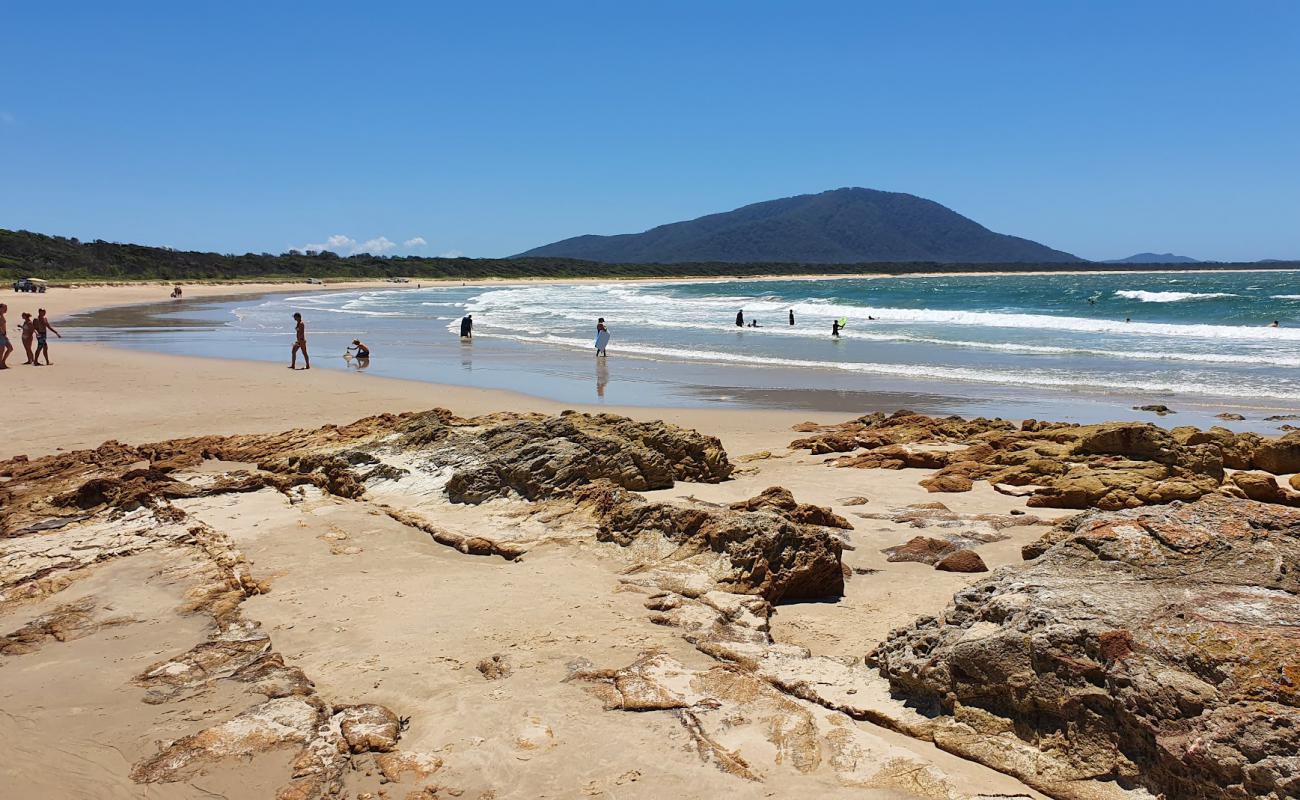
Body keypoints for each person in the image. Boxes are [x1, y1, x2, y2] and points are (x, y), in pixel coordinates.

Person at [0, 304, 10, 369]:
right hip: (1, 335)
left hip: (4, 335)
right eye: (5, 308)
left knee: (10, 348)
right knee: (1, 350)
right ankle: (1, 364)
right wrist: (2, 332)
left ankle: (2, 362)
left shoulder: (2, 315)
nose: (6, 309)